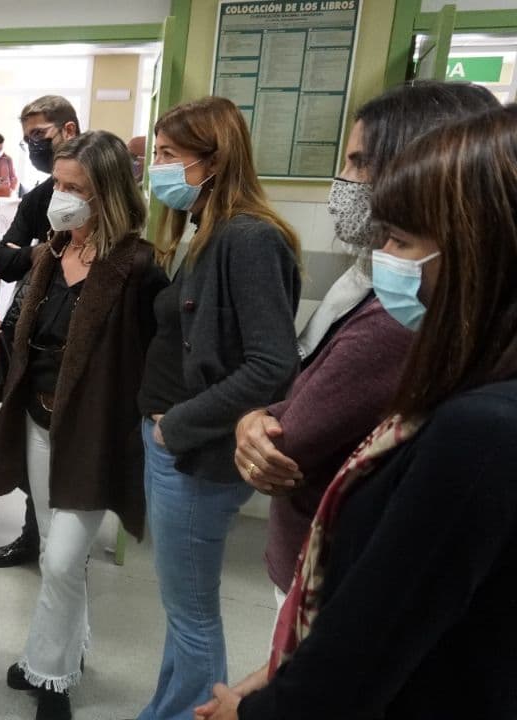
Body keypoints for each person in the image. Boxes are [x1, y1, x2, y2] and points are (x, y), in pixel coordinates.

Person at [197, 103, 517, 720]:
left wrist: (252, 710)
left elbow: (363, 659)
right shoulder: (472, 382)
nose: (386, 255)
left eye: (401, 239)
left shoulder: (481, 431)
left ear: (480, 252)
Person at [233, 82, 499, 611]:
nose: (342, 182)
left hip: (336, 571)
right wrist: (255, 417)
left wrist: (261, 421)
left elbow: (293, 439)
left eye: (358, 163)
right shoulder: (375, 278)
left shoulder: (404, 313)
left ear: (417, 167)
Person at [0, 131, 166, 720]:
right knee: (56, 555)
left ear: (108, 193)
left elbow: (155, 354)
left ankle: (50, 674)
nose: (60, 198)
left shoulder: (138, 267)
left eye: (75, 188)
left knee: (63, 560)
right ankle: (63, 648)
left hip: (92, 431)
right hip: (37, 421)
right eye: (57, 184)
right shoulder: (50, 253)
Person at [134, 96, 302, 720]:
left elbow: (272, 365)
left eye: (170, 155)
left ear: (214, 159)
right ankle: (167, 709)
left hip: (195, 456)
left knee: (193, 615)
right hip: (176, 448)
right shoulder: (206, 230)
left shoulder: (248, 238)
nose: (158, 167)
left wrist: (176, 427)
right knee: (182, 610)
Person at [0, 94, 82, 570]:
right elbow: (3, 260)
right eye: (27, 140)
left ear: (68, 130)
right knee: (33, 445)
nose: (34, 146)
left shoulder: (115, 191)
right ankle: (34, 534)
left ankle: (72, 546)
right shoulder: (42, 196)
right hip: (36, 331)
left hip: (80, 344)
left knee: (73, 451)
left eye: (40, 135)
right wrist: (43, 251)